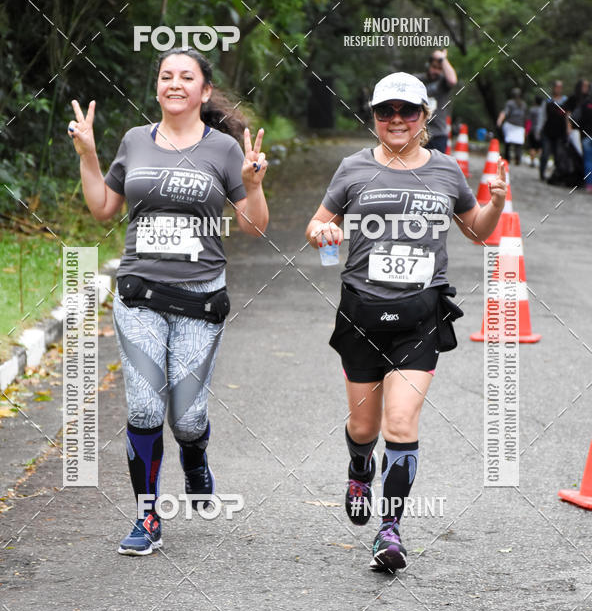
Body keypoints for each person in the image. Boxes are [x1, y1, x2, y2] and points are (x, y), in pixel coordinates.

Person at [68, 48, 269, 555]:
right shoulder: (135, 140)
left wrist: (252, 186)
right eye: (165, 76)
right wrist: (88, 155)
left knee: (187, 418)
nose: (174, 83)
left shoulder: (225, 149)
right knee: (142, 405)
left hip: (201, 299)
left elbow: (254, 226)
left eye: (186, 77)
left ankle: (194, 455)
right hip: (140, 295)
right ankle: (147, 517)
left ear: (204, 91)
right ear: (157, 87)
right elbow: (103, 208)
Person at [305, 72, 506, 573]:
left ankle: (390, 530)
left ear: (424, 116)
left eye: (407, 111)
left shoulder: (446, 170)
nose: (396, 120)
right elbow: (317, 223)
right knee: (364, 426)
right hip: (362, 313)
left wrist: (497, 205)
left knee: (400, 422)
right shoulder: (353, 168)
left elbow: (477, 232)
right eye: (385, 111)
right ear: (374, 116)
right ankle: (359, 468)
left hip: (420, 316)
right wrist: (323, 232)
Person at [419, 50, 457, 152]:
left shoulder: (443, 83)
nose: (435, 71)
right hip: (418, 134)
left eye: (439, 68)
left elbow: (452, 80)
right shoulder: (418, 80)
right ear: (428, 65)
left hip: (438, 135)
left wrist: (443, 59)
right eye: (434, 67)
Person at [536, 80, 567, 182]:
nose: (558, 89)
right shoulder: (548, 101)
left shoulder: (565, 101)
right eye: (556, 87)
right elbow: (542, 117)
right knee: (545, 154)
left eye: (560, 87)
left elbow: (568, 116)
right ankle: (542, 173)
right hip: (547, 132)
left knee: (558, 155)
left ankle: (557, 175)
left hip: (560, 133)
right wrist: (538, 130)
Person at [497, 88, 527, 165]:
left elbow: (505, 112)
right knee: (518, 144)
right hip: (520, 126)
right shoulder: (523, 104)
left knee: (508, 143)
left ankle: (507, 159)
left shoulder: (510, 103)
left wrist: (500, 120)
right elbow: (524, 116)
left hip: (510, 124)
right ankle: (517, 158)